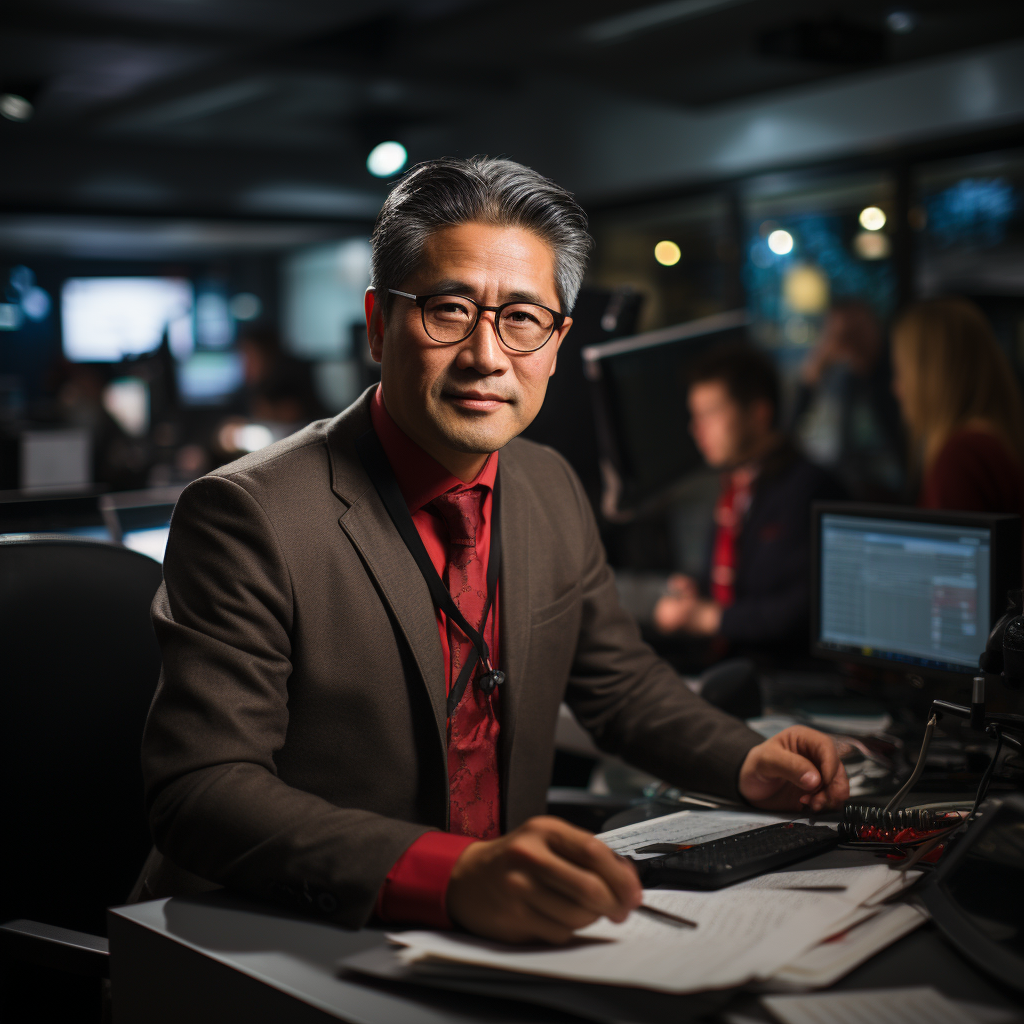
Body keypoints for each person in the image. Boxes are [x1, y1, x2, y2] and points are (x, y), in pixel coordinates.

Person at [133, 157, 848, 946]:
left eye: (522, 318)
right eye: (448, 310)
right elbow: (202, 789)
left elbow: (620, 686)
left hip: (496, 938)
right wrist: (451, 874)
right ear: (378, 324)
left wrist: (747, 762)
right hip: (281, 936)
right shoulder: (246, 514)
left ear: (556, 341)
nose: (486, 355)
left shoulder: (547, 484)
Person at [654, 344, 845, 656]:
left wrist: (709, 617)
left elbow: (806, 609)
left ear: (759, 414)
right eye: (695, 415)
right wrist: (695, 590)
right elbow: (740, 581)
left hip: (783, 675)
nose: (696, 429)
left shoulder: (811, 491)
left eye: (710, 414)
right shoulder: (735, 486)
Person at [890, 297, 1024, 520]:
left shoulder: (961, 456)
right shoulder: (992, 440)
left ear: (931, 378)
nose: (896, 387)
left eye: (901, 372)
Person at [792, 299, 905, 501]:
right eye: (836, 333)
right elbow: (792, 429)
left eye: (854, 331)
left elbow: (896, 436)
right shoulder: (839, 378)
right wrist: (815, 368)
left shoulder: (895, 377)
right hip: (840, 487)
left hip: (889, 489)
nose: (846, 339)